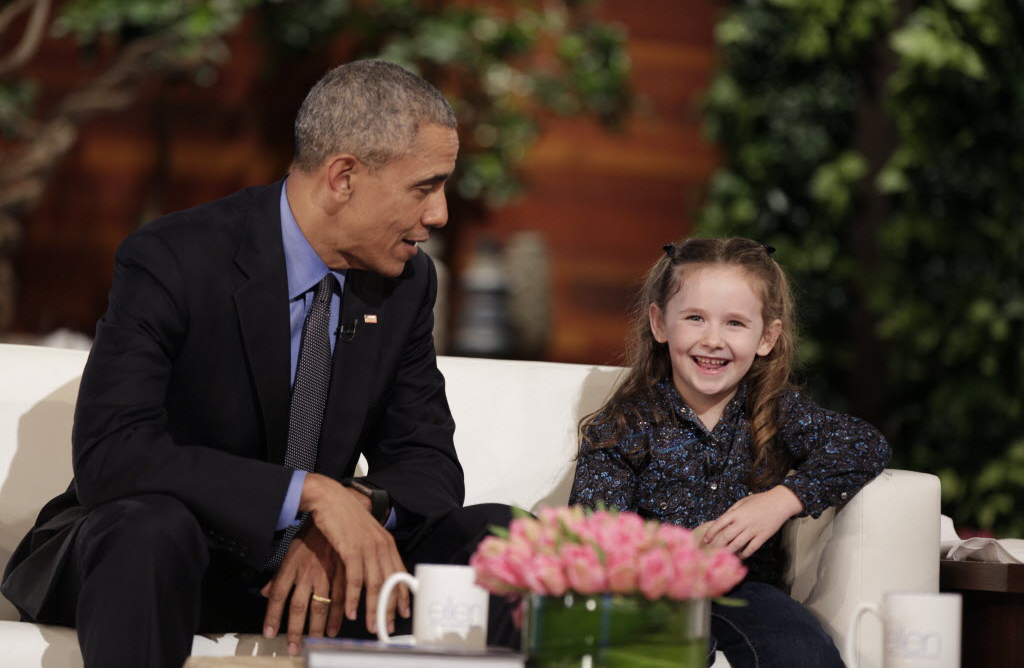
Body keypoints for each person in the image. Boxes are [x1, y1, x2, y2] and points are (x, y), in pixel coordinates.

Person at [1, 59, 515, 668]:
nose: (440, 214)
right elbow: (113, 455)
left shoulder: (404, 284)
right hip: (171, 558)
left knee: (502, 536)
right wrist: (309, 495)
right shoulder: (174, 257)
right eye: (424, 187)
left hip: (312, 582)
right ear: (343, 177)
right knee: (150, 529)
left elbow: (427, 464)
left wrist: (346, 512)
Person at [569, 237, 892, 667]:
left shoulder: (776, 411)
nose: (712, 340)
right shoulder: (626, 423)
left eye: (735, 323)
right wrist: (676, 552)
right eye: (695, 318)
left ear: (767, 336)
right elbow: (591, 533)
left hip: (746, 589)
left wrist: (781, 500)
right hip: (651, 589)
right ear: (660, 324)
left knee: (804, 650)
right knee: (666, 646)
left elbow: (864, 444)